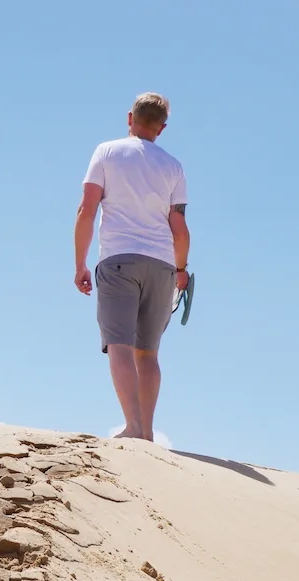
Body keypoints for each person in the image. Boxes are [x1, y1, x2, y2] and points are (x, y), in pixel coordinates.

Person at [74, 92, 190, 442]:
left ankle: (133, 427)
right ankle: (148, 432)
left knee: (120, 345)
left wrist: (80, 263)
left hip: (119, 259)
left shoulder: (107, 152)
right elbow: (180, 228)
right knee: (149, 353)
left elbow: (87, 209)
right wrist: (181, 270)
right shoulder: (173, 166)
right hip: (162, 266)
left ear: (130, 118)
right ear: (163, 128)